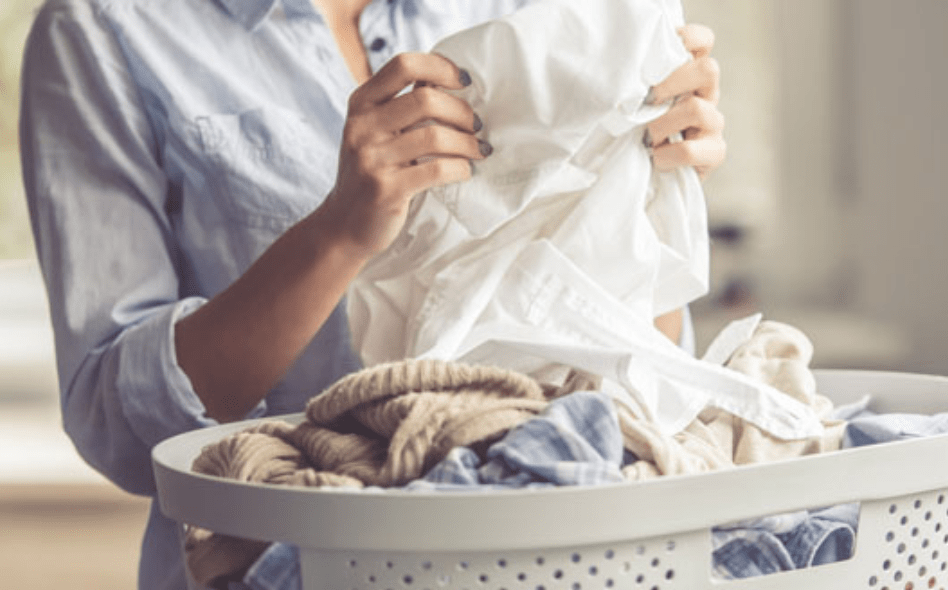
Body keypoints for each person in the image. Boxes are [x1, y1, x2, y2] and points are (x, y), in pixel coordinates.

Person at [19, 0, 725, 588]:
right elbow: (115, 423)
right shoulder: (102, 29)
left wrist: (652, 186)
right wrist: (337, 233)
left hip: (550, 560)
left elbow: (640, 383)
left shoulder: (522, 9)